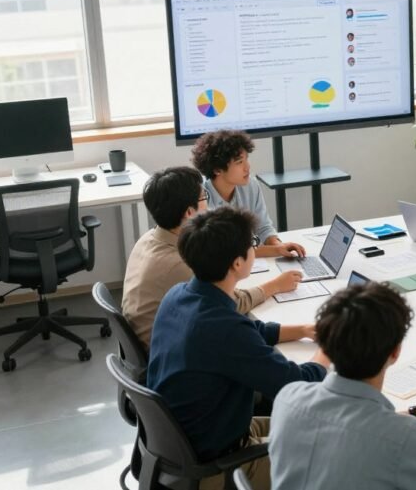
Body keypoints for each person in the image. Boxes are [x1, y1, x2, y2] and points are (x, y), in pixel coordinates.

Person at [146, 207, 329, 490]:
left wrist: (303, 330)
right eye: (252, 245)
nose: (254, 249)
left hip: (196, 439)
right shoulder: (222, 328)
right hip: (218, 466)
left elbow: (249, 333)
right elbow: (298, 384)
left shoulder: (180, 295)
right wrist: (329, 350)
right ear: (236, 264)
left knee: (325, 427)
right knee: (336, 455)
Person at [270, 282, 416, 490]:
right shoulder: (404, 438)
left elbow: (345, 424)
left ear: (325, 348)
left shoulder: (289, 397)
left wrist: (415, 414)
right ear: (395, 352)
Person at [122, 166, 302, 349]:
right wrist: (276, 285)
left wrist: (275, 249)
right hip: (173, 350)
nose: (207, 206)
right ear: (189, 212)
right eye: (204, 198)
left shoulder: (149, 239)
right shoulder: (178, 264)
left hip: (162, 338)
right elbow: (231, 304)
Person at [192, 129, 305, 258]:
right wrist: (276, 250)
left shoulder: (251, 185)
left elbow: (263, 227)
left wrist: (278, 244)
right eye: (239, 162)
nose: (248, 167)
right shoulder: (200, 197)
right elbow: (224, 250)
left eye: (246, 159)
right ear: (217, 169)